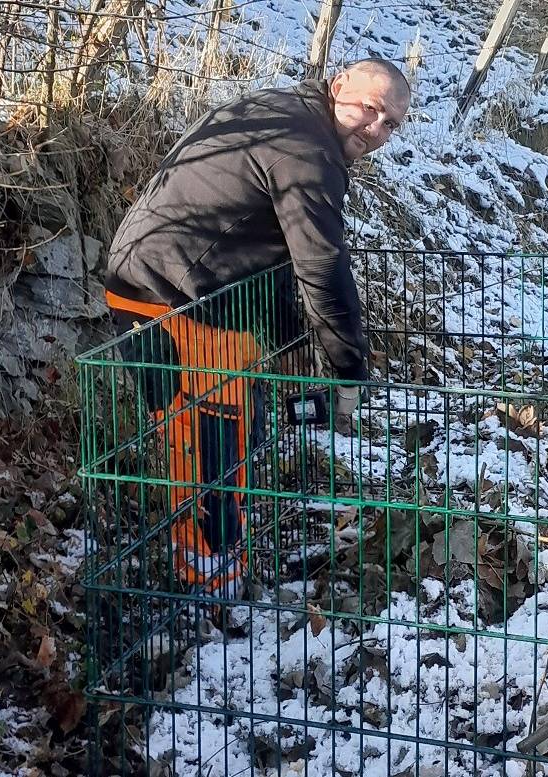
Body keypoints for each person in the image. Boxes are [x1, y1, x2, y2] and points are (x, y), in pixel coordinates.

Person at [102, 59, 411, 600]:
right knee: (207, 444)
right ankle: (206, 585)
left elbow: (279, 254)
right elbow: (321, 266)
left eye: (391, 124)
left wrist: (290, 347)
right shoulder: (306, 149)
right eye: (371, 108)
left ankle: (224, 560)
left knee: (240, 427)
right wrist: (349, 372)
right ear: (339, 84)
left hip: (200, 290)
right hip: (166, 294)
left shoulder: (291, 117)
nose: (376, 128)